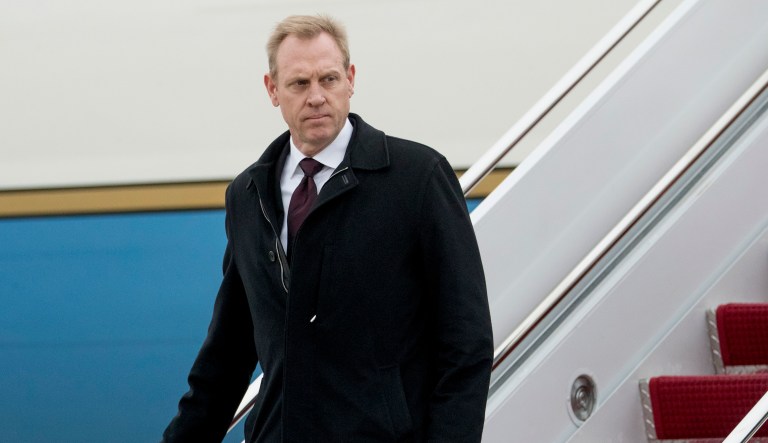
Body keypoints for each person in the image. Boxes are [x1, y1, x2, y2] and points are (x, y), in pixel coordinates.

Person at [162, 14, 493, 443]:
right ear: (272, 90)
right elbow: (226, 355)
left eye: (329, 79)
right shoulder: (247, 195)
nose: (316, 96)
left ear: (351, 79)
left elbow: (466, 344)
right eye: (300, 83)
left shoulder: (417, 178)